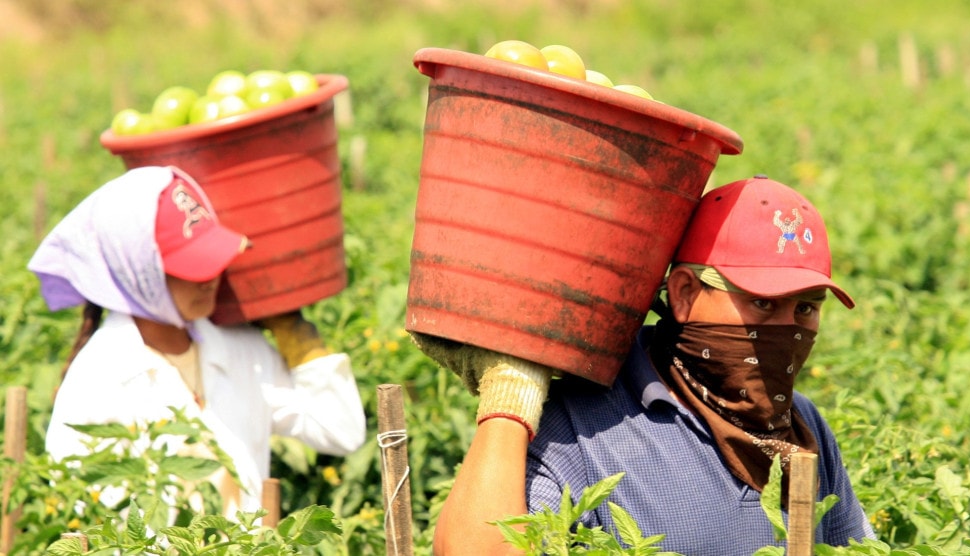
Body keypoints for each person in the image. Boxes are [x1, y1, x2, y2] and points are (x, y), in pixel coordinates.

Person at [429, 175, 875, 555]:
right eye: (761, 303)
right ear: (683, 292)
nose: (786, 329)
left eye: (806, 309)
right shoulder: (584, 427)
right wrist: (510, 395)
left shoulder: (801, 427)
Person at [28, 165, 367, 515]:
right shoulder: (97, 380)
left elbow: (341, 430)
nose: (210, 279)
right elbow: (85, 512)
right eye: (189, 268)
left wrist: (296, 335)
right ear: (139, 273)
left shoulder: (242, 352)